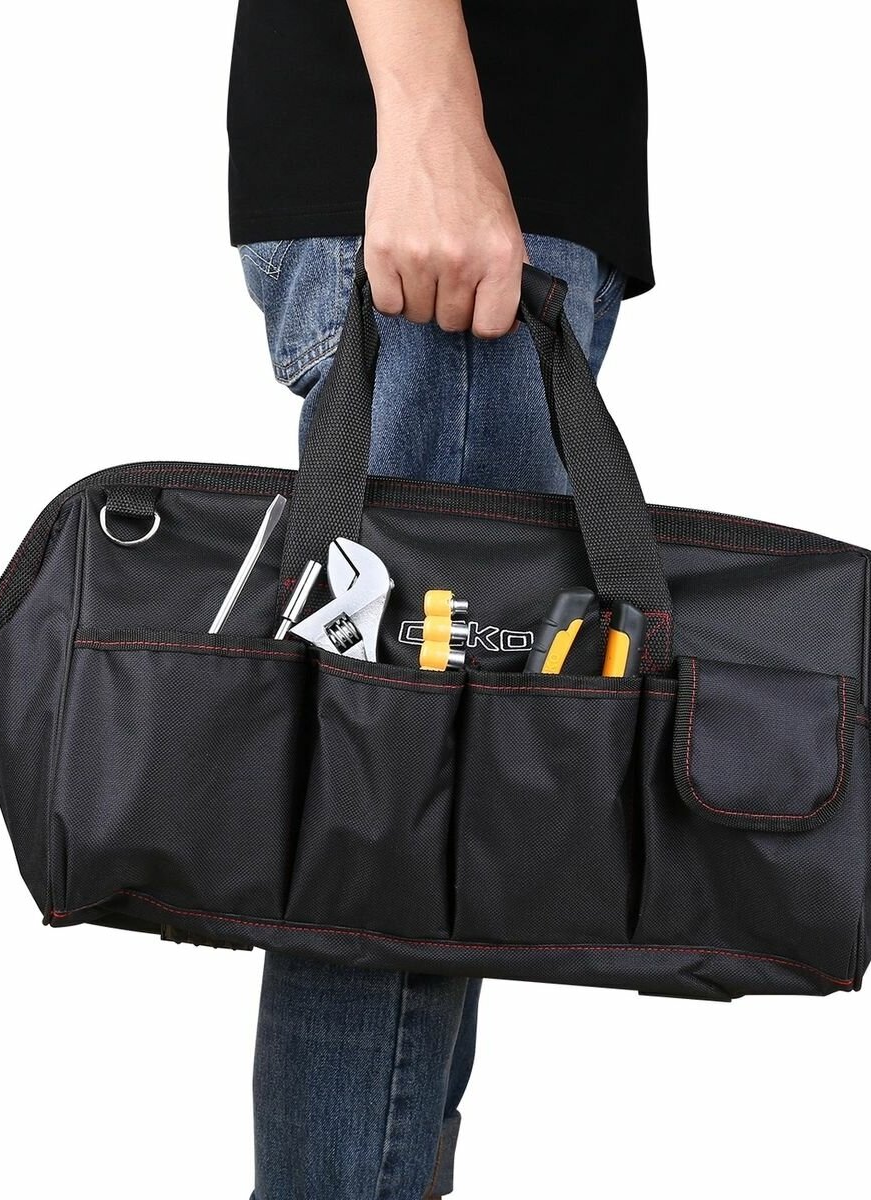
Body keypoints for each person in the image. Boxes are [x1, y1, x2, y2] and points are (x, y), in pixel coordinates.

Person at [228, 2, 653, 1195]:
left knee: (425, 816)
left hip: (497, 180)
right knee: (396, 810)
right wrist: (432, 123)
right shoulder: (445, 147)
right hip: (455, 187)